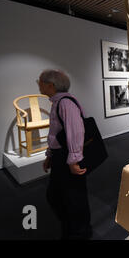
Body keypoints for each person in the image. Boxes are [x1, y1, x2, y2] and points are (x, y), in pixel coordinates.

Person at [38, 69, 92, 240]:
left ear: (50, 85)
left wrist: (74, 160)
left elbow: (75, 132)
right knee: (57, 195)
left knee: (74, 196)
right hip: (60, 156)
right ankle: (72, 227)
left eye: (39, 82)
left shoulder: (65, 104)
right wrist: (49, 155)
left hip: (67, 157)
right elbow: (56, 134)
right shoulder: (58, 102)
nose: (38, 84)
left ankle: (80, 232)